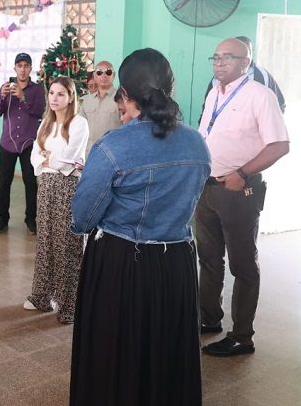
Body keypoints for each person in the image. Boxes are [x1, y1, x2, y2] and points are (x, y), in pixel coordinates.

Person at [69, 48, 210, 405]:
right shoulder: (196, 142)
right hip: (176, 263)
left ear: (126, 94)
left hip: (121, 265)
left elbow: (83, 218)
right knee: (167, 348)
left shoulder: (114, 145)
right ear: (170, 87)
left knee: (117, 349)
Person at [196, 38, 290, 357]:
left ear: (245, 63)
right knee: (208, 258)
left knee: (243, 264)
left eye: (228, 57)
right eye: (216, 56)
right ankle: (209, 318)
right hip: (207, 188)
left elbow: (279, 145)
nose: (219, 62)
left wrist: (244, 173)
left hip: (239, 190)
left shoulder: (260, 97)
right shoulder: (213, 94)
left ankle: (241, 337)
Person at [25, 76, 89, 324]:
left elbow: (70, 159)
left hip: (67, 186)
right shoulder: (45, 124)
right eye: (52, 93)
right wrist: (46, 159)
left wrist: (49, 158)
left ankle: (69, 303)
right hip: (47, 186)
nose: (54, 98)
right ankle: (42, 295)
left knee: (66, 245)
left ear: (71, 96)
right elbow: (34, 156)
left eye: (61, 94)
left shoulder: (79, 123)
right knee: (46, 242)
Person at [0, 52, 46, 234]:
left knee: (30, 182)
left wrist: (23, 97)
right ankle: (2, 219)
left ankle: (31, 219)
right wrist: (1, 96)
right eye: (19, 66)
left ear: (31, 68)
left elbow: (39, 112)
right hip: (7, 143)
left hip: (29, 144)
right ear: (14, 68)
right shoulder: (6, 87)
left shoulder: (37, 89)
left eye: (26, 66)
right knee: (4, 182)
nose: (22, 70)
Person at [199, 35, 286, 122]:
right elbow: (206, 113)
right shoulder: (215, 86)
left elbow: (280, 105)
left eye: (248, 51)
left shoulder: (262, 79)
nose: (219, 63)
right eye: (216, 58)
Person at [78, 60, 120, 155]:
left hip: (113, 155)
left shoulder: (121, 99)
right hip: (88, 155)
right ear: (94, 76)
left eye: (108, 72)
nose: (104, 75)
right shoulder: (85, 101)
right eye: (99, 72)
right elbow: (79, 129)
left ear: (113, 75)